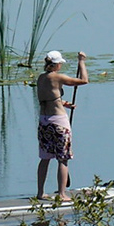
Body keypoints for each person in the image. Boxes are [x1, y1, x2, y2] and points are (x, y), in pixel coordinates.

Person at [35, 50, 87, 201]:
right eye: (60, 64)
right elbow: (84, 80)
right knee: (63, 159)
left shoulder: (41, 78)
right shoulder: (58, 77)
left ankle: (40, 193)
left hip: (44, 121)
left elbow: (48, 97)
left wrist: (64, 104)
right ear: (56, 65)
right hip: (58, 121)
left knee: (45, 158)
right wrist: (81, 62)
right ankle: (62, 194)